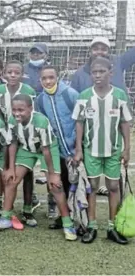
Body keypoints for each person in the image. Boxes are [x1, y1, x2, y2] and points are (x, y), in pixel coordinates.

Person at [0, 94, 77, 241]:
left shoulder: (41, 121)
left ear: (31, 109)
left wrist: (52, 174)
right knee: (11, 180)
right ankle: (5, 217)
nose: (17, 113)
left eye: (21, 110)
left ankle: (67, 223)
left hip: (47, 150)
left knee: (55, 186)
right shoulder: (12, 120)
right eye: (14, 110)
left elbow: (45, 149)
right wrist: (11, 168)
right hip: (27, 149)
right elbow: (12, 143)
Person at [72, 57, 132, 245]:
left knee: (114, 187)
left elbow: (125, 123)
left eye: (101, 71)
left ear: (110, 73)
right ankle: (92, 226)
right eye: (94, 72)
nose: (97, 75)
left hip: (114, 150)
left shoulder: (120, 95)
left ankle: (112, 227)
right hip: (91, 150)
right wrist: (79, 149)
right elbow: (79, 123)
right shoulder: (84, 96)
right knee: (92, 187)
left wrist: (127, 149)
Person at [0, 60, 40, 220]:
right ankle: (3, 205)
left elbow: (32, 115)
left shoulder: (29, 91)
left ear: (22, 74)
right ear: (4, 73)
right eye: (9, 72)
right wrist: (2, 136)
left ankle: (27, 208)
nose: (12, 75)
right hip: (7, 138)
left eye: (16, 72)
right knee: (5, 170)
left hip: (26, 138)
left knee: (27, 172)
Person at [35, 65, 79, 225]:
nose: (48, 81)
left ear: (57, 78)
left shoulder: (70, 94)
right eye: (44, 78)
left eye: (51, 77)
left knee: (79, 184)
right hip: (57, 150)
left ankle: (82, 218)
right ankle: (64, 216)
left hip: (75, 149)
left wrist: (78, 146)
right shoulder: (40, 99)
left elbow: (81, 121)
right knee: (63, 183)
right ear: (40, 80)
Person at [70, 37, 135, 93]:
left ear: (109, 51)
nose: (99, 52)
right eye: (95, 49)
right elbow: (73, 98)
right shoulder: (80, 73)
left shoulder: (118, 62)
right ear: (90, 51)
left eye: (103, 49)